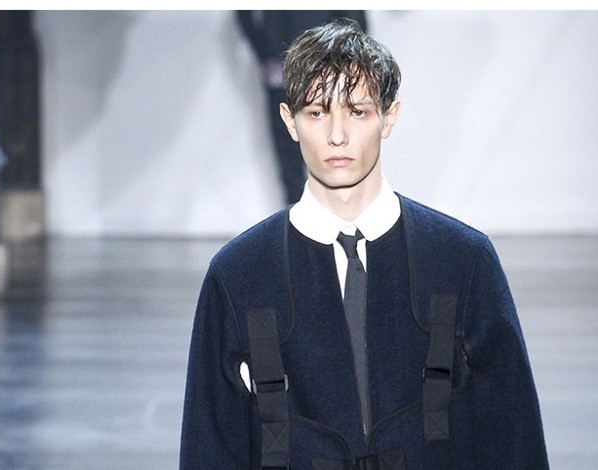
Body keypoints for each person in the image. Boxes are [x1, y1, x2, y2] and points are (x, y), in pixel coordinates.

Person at [180, 19, 548, 469]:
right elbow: (209, 446)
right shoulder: (239, 275)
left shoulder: (461, 261)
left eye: (357, 111)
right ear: (290, 121)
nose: (337, 135)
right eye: (317, 112)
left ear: (389, 117)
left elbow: (514, 436)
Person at [237, 10, 368, 205]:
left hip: (321, 71)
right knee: (294, 161)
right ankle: (302, 217)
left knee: (332, 154)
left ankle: (338, 214)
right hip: (285, 71)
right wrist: (264, 55)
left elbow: (355, 19)